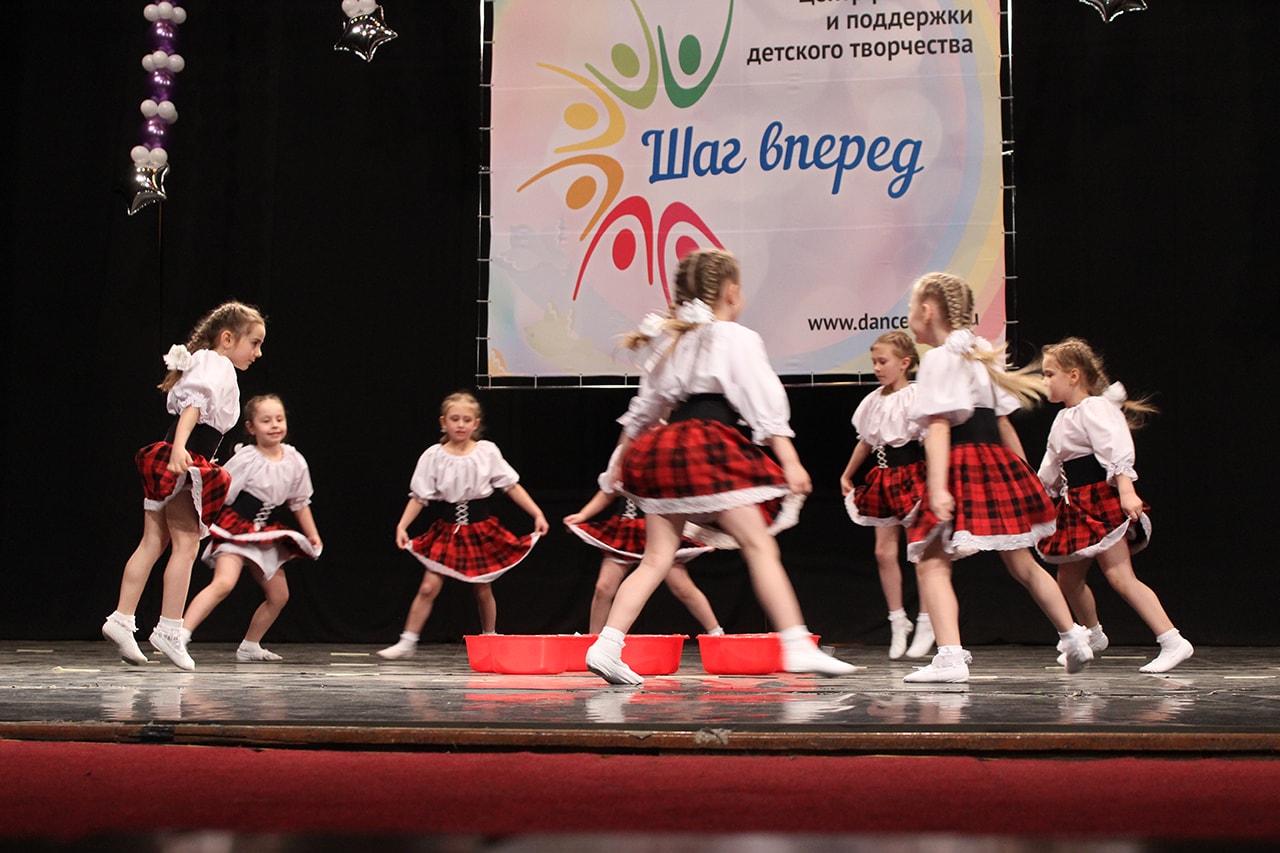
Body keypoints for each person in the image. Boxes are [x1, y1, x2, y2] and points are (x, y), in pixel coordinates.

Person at [584, 247, 855, 685]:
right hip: (706, 444)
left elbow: (644, 411)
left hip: (663, 450)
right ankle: (795, 643)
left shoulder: (669, 339)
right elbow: (762, 398)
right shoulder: (735, 337)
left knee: (655, 558)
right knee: (759, 544)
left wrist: (618, 462)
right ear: (732, 293)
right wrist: (789, 460)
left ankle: (607, 645)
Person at [902, 272, 1093, 683]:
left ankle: (950, 658)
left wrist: (937, 487)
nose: (909, 316)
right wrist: (1023, 474)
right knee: (1022, 562)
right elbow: (1002, 422)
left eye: (911, 308)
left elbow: (939, 425)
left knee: (931, 561)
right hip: (994, 460)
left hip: (960, 461)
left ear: (928, 310)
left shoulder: (939, 359)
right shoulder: (980, 353)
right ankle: (1074, 637)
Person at [102, 301, 266, 671]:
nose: (257, 353)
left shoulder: (207, 361)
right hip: (185, 458)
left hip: (179, 453)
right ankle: (170, 628)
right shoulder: (218, 364)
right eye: (254, 343)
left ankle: (122, 618)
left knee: (153, 542)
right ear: (228, 338)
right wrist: (180, 450)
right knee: (187, 544)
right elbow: (193, 407)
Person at [1036, 337, 1193, 673]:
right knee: (1068, 581)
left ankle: (1172, 640)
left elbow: (1116, 446)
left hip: (1099, 500)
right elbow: (1052, 464)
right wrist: (1038, 496)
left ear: (1074, 376)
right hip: (1075, 504)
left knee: (1121, 577)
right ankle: (1093, 635)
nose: (1044, 381)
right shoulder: (1063, 417)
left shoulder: (1095, 408)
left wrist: (1126, 489)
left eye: (1050, 374)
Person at [378, 391, 549, 659]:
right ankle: (407, 641)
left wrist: (536, 513)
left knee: (482, 588)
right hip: (448, 530)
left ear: (476, 423)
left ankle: (490, 637)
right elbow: (419, 497)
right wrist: (402, 526)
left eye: (466, 420)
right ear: (443, 422)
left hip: (480, 528)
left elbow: (511, 486)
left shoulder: (486, 452)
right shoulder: (434, 456)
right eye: (455, 419)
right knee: (428, 586)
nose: (460, 424)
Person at [181, 394, 323, 662]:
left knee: (279, 595)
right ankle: (180, 635)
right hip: (236, 529)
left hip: (264, 533)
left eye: (279, 419)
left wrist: (313, 534)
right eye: (266, 420)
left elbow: (300, 502)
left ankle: (250, 645)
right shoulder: (247, 458)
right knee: (224, 583)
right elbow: (222, 491)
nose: (274, 425)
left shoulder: (294, 460)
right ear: (251, 427)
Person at [839, 330, 933, 659]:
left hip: (913, 474)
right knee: (883, 552)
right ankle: (897, 620)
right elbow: (866, 440)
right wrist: (848, 473)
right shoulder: (873, 400)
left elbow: (931, 438)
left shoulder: (916, 396)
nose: (877, 368)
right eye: (874, 362)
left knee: (919, 550)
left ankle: (927, 620)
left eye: (883, 362)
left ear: (904, 363)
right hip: (883, 476)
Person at [565, 487, 723, 636]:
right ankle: (594, 638)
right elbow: (608, 491)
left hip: (660, 532)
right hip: (627, 533)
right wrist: (583, 515)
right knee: (604, 587)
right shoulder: (626, 468)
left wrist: (702, 534)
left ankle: (716, 633)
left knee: (682, 587)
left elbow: (689, 499)